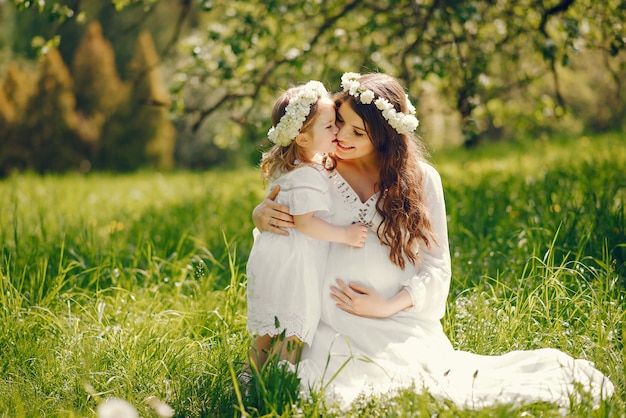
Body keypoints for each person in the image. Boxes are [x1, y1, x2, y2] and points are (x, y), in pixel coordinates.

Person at [252, 72, 614, 409]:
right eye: (341, 122)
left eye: (358, 134)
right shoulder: (316, 170)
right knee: (320, 387)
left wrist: (387, 306)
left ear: (385, 136)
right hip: (326, 324)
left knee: (415, 387)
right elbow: (283, 222)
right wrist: (260, 216)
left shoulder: (420, 179)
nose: (342, 137)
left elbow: (437, 266)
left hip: (394, 324)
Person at [245, 80, 368, 374]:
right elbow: (305, 223)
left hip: (276, 255)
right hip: (295, 262)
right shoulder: (308, 176)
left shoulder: (293, 166)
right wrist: (345, 235)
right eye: (329, 127)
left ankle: (250, 376)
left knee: (269, 328)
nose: (337, 131)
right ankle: (282, 380)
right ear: (301, 139)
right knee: (291, 326)